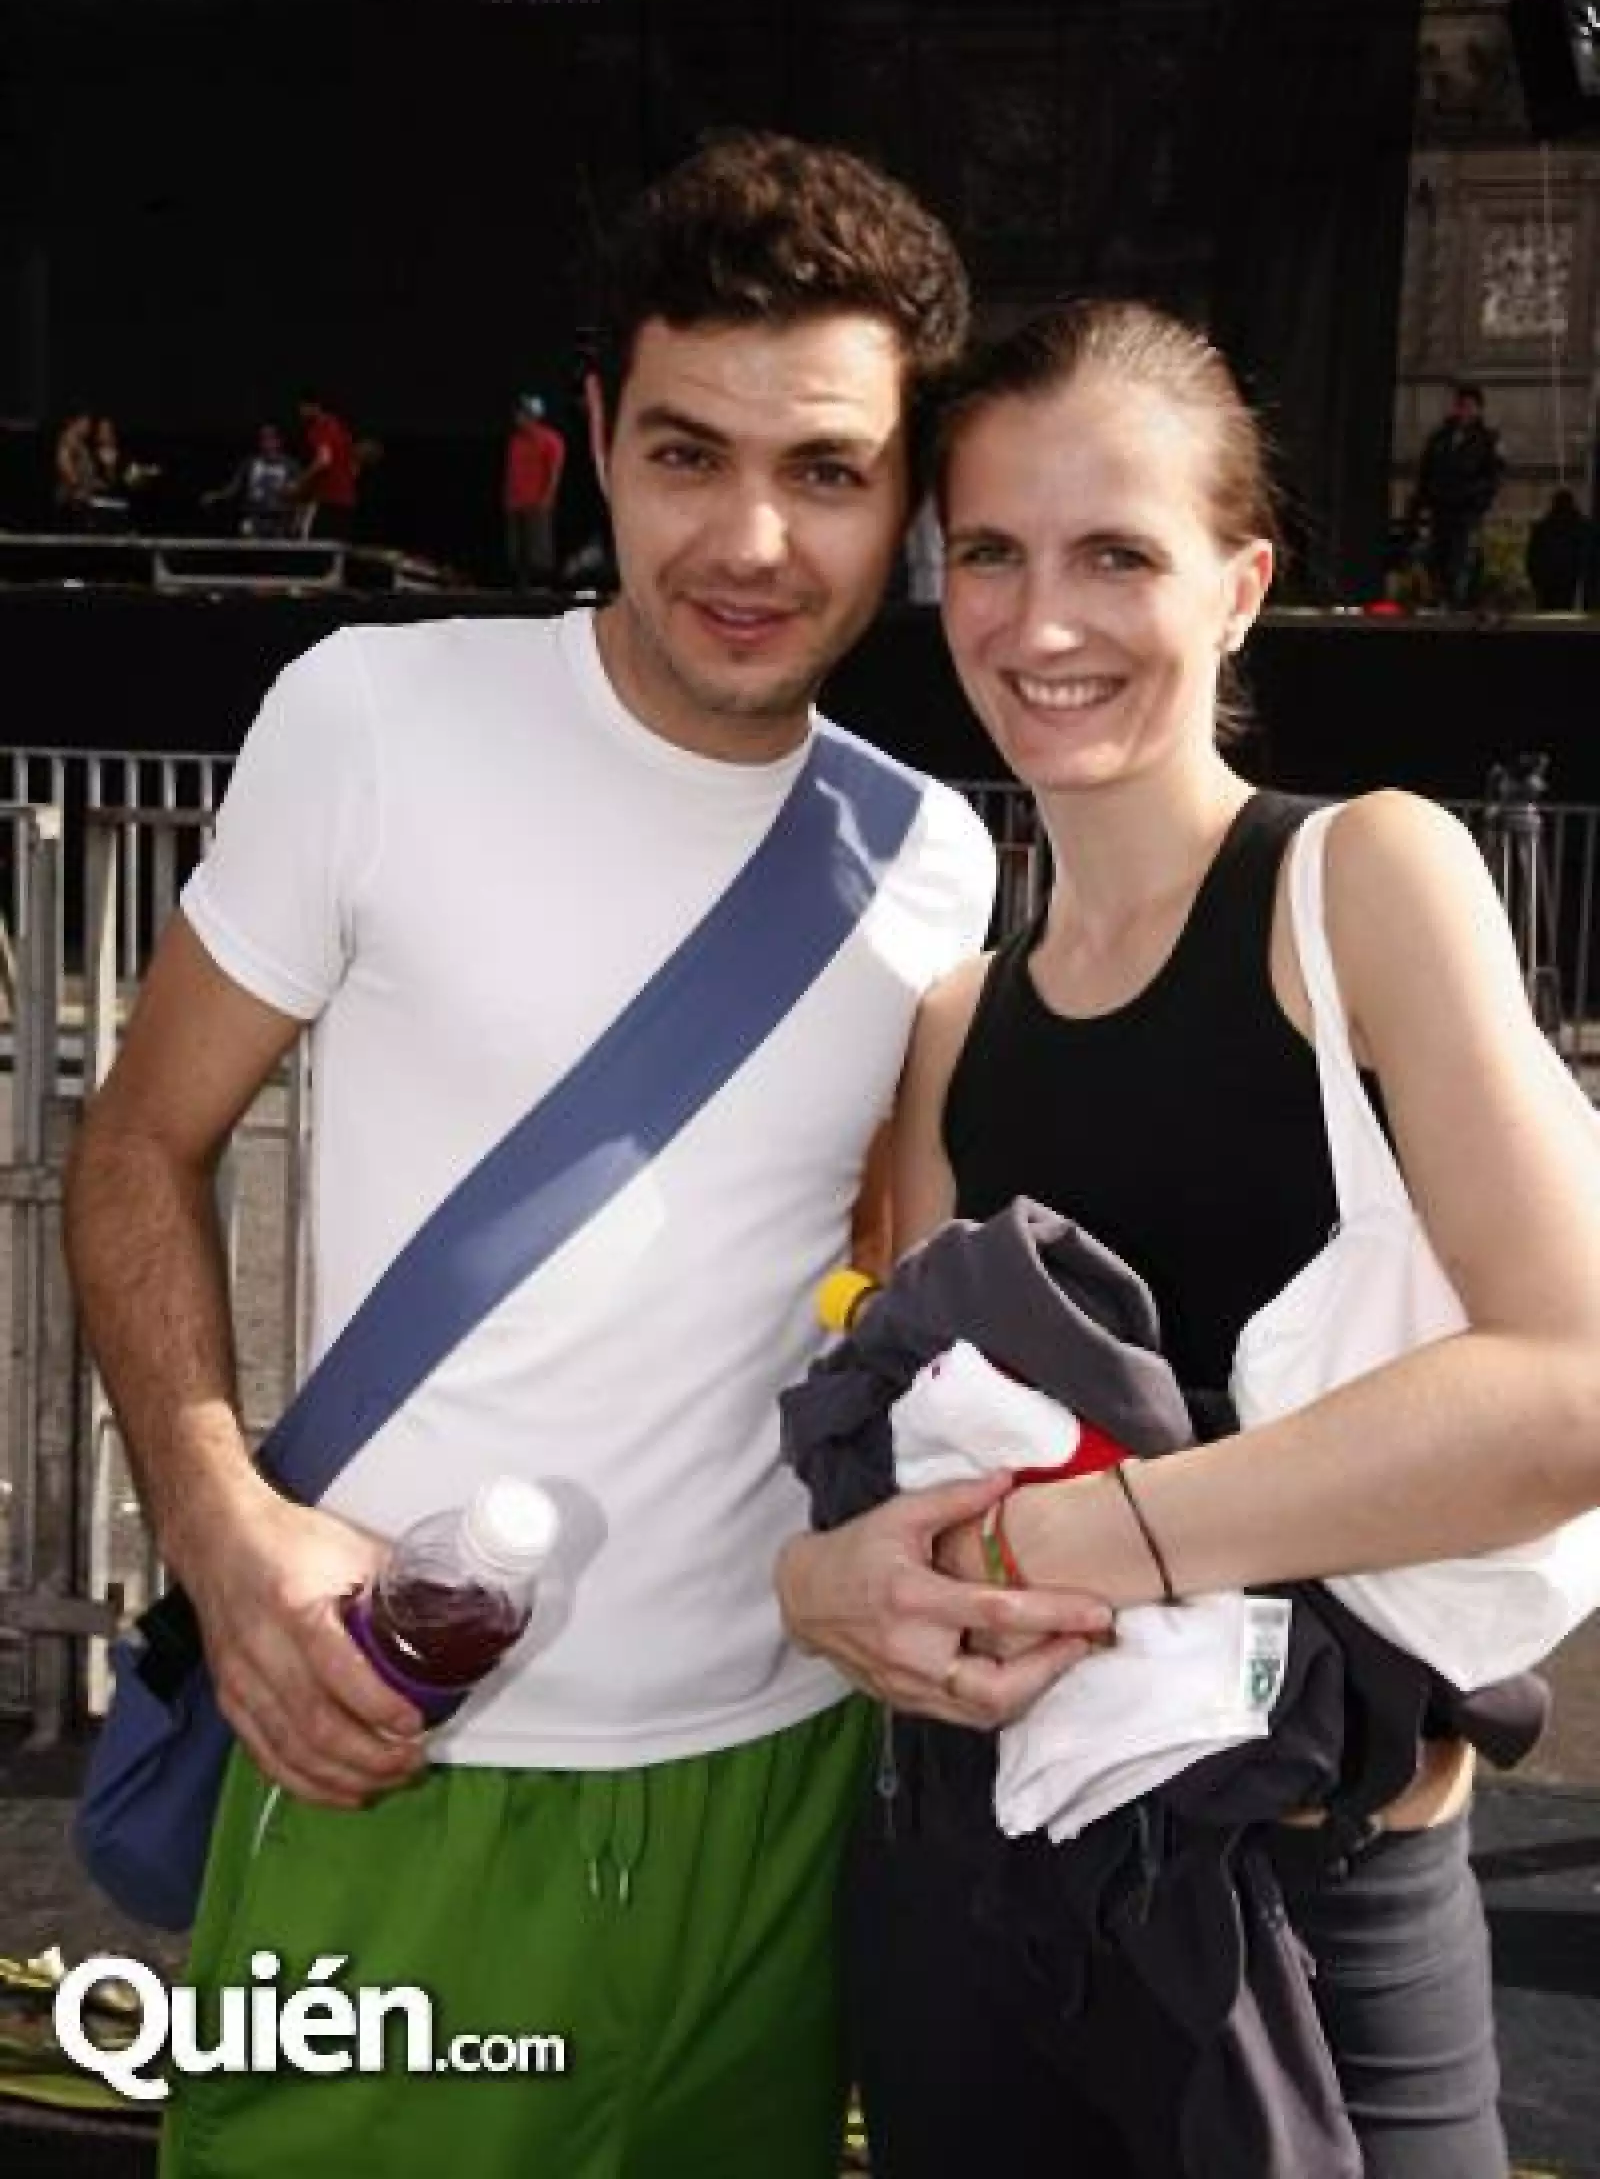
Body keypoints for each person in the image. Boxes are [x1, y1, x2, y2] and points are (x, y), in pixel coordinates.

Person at [62, 132, 1058, 2179]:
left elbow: (878, 1290)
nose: (752, 539)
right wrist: (217, 1520)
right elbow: (137, 1147)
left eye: (828, 473)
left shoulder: (930, 856)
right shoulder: (368, 719)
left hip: (778, 1802)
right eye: (686, 454)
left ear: (912, 500)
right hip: (387, 1770)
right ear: (593, 435)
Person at [777, 300, 1600, 2178]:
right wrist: (821, 1591)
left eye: (1115, 556)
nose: (1041, 622)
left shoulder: (1359, 885)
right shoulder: (953, 1025)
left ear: (1240, 586)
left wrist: (1080, 1543)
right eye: (989, 551)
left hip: (1309, 1912)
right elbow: (893, 1475)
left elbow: (1575, 1385)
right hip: (968, 1899)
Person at [1408, 383, 1503, 610]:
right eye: (1462, 406)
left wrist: (1477, 500)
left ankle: (1457, 602)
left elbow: (1493, 477)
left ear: (1479, 409)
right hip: (1440, 508)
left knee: (1459, 559)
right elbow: (1425, 473)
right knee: (1435, 557)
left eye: (1470, 406)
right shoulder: (1440, 438)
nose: (1465, 411)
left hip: (1466, 511)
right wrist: (1418, 505)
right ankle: (1440, 599)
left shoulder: (1486, 440)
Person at [502, 391, 567, 587]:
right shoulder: (515, 441)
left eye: (521, 413)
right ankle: (521, 587)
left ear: (532, 416)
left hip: (536, 500)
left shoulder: (551, 440)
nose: (517, 418)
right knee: (516, 548)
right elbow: (510, 471)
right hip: (515, 501)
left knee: (538, 548)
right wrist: (507, 497)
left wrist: (548, 497)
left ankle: (542, 587)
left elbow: (554, 471)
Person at [200, 421, 304, 539]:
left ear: (278, 441)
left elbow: (300, 493)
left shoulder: (290, 465)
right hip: (254, 516)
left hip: (280, 518)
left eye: (270, 438)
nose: (266, 443)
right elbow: (233, 488)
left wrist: (296, 517)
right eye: (263, 439)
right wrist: (216, 495)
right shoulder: (250, 463)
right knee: (246, 531)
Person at [295, 393, 361, 540]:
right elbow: (355, 467)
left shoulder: (318, 428)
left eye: (302, 409)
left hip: (328, 500)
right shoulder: (341, 428)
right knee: (335, 550)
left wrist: (299, 483)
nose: (300, 414)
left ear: (314, 407)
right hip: (347, 501)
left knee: (311, 546)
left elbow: (324, 460)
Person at [1524, 484, 1596, 613]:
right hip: (1569, 580)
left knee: (1549, 613)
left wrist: (1536, 579)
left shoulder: (1542, 528)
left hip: (1550, 581)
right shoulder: (1582, 528)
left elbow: (1532, 557)